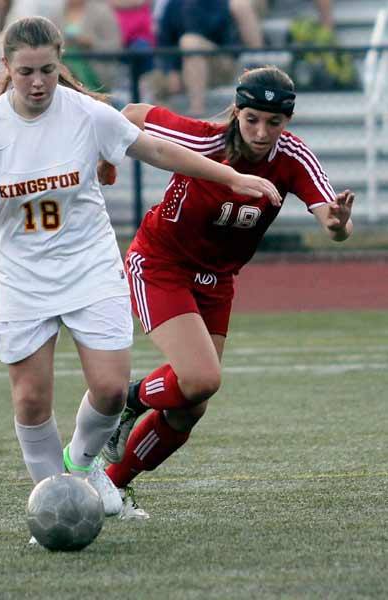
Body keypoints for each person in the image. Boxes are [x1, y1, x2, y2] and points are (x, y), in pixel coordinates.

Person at [0, 17, 281, 524]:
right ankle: (54, 505)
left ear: (60, 64)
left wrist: (231, 175)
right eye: (26, 72)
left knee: (108, 388)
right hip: (22, 278)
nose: (38, 82)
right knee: (31, 399)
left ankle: (82, 470)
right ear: (7, 69)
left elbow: (161, 150)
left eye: (48, 70)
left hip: (90, 268)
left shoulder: (85, 114)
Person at [98, 65, 355, 516]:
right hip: (161, 264)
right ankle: (128, 402)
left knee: (190, 406)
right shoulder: (203, 139)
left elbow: (331, 220)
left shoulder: (292, 158)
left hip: (217, 280)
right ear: (236, 111)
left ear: (287, 123)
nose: (261, 131)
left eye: (274, 123)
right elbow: (134, 113)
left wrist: (337, 227)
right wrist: (106, 159)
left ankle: (112, 486)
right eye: (252, 118)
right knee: (200, 379)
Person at [157, 0, 264, 116]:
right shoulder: (173, 5)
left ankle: (197, 111)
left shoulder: (223, 4)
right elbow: (164, 42)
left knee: (190, 42)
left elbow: (229, 43)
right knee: (150, 81)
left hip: (222, 64)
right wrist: (170, 71)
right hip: (184, 70)